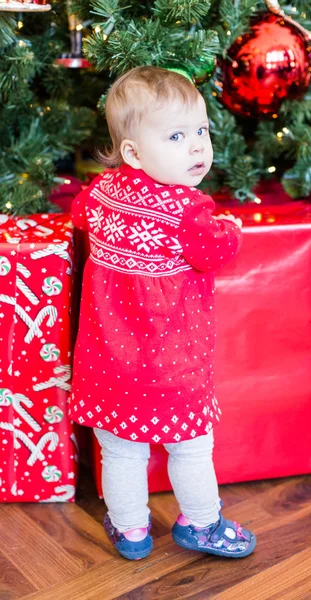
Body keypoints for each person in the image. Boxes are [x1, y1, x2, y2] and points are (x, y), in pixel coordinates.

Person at [70, 65, 256, 560]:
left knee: (120, 451)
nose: (198, 146)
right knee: (191, 447)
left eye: (201, 131)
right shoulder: (190, 211)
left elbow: (78, 214)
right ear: (133, 151)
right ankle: (201, 524)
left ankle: (130, 531)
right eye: (177, 135)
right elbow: (216, 250)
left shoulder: (101, 194)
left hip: (107, 361)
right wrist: (232, 228)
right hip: (175, 367)